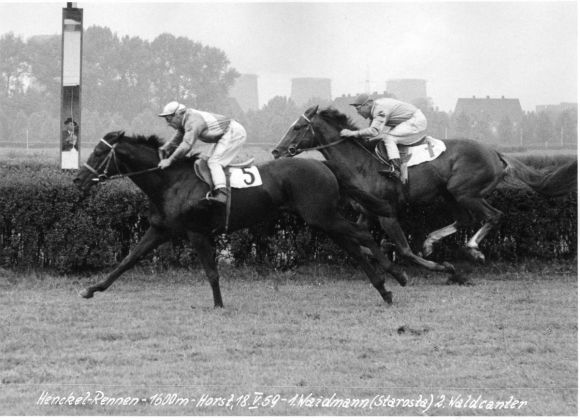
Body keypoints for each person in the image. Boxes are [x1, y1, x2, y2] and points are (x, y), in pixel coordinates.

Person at [157, 101, 247, 204]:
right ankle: (212, 190)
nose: (168, 123)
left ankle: (223, 195)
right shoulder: (185, 119)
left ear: (178, 115)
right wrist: (166, 147)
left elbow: (186, 145)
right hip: (224, 135)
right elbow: (179, 135)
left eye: (169, 119)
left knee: (214, 162)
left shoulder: (193, 121)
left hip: (233, 132)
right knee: (203, 162)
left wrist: (169, 160)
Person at [340, 93, 427, 180]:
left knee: (388, 138)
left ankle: (396, 170)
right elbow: (371, 133)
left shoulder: (380, 110)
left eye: (358, 109)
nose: (358, 113)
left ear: (367, 104)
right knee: (386, 137)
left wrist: (352, 133)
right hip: (407, 119)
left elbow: (374, 132)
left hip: (416, 120)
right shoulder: (375, 108)